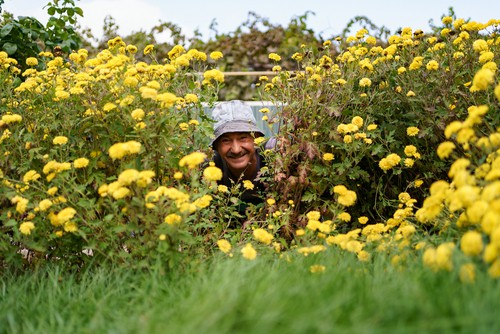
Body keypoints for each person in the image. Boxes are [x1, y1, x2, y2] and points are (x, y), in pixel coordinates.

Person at [210, 100, 274, 213]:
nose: (236, 149)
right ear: (216, 147)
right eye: (226, 140)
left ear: (256, 138)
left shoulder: (274, 156)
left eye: (243, 138)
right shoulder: (209, 168)